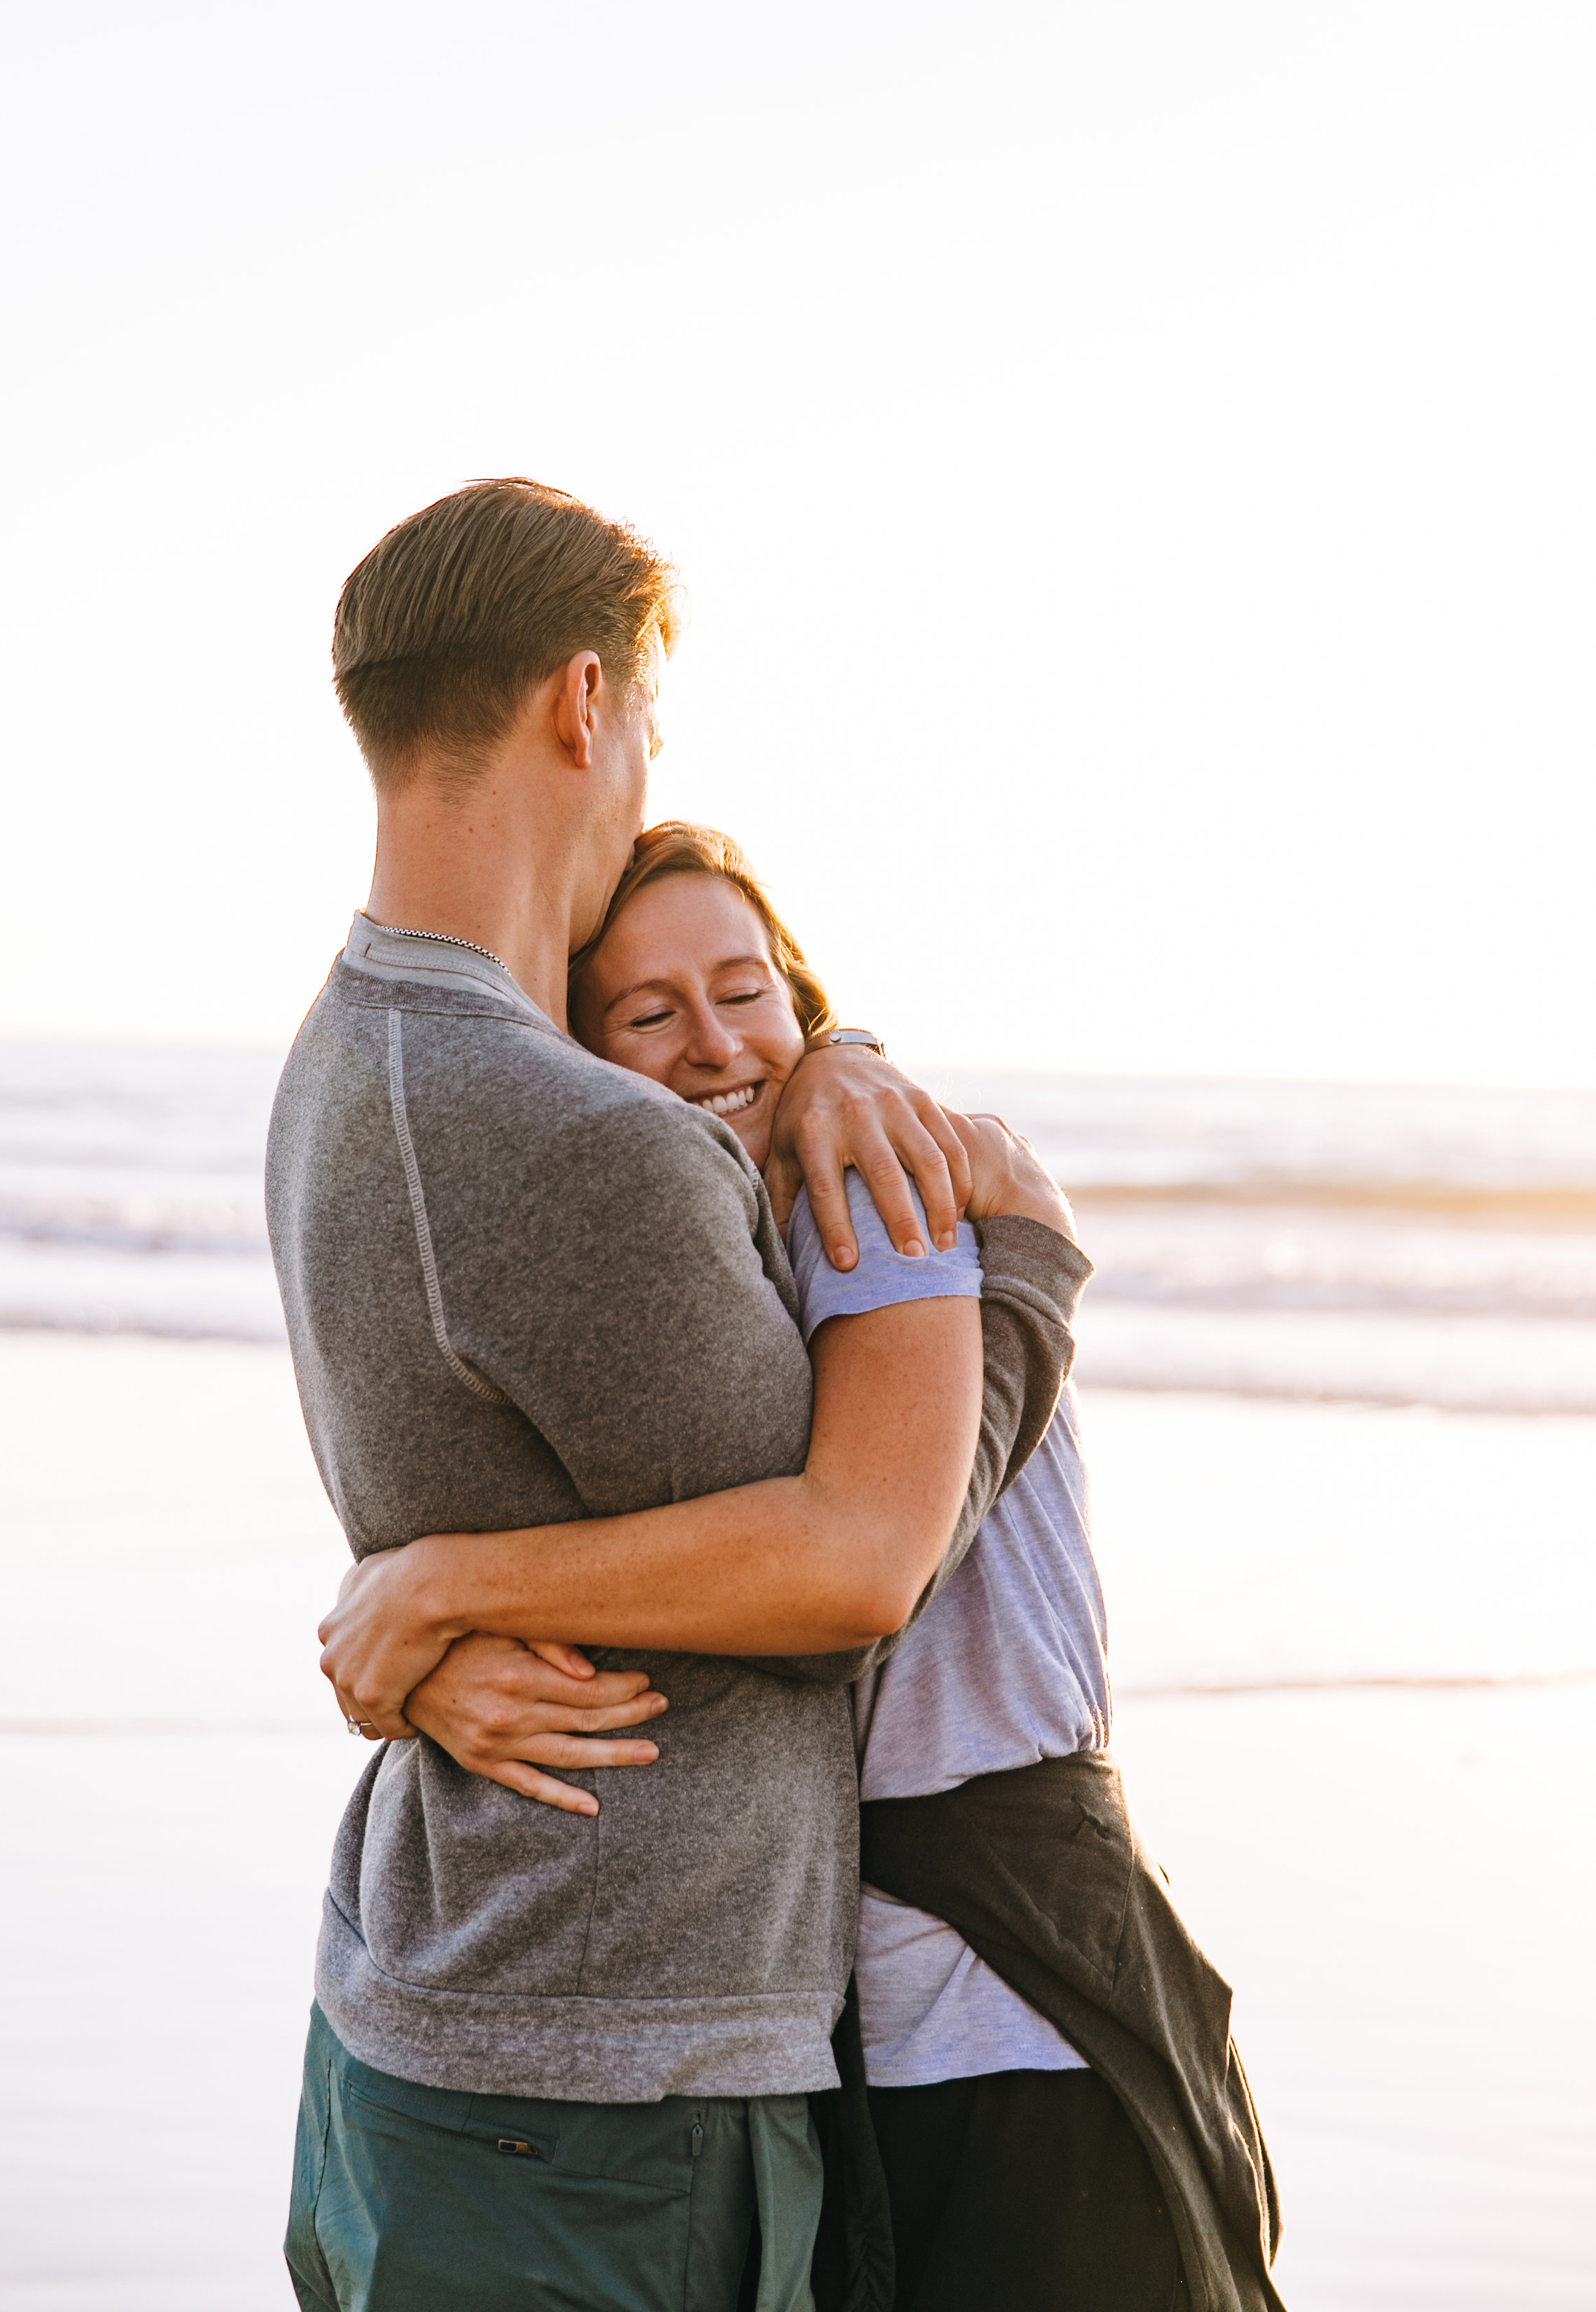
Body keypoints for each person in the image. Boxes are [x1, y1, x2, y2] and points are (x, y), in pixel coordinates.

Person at [268, 478, 1092, 2312]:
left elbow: (487, 1462)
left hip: (453, 2026)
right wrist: (1020, 1267)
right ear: (583, 703)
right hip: (604, 2092)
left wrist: (434, 1586)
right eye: (645, 723)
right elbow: (850, 1561)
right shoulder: (569, 1136)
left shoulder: (340, 1054)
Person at [328, 825, 1286, 2312]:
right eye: (647, 1014)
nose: (715, 1043)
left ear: (803, 998)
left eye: (748, 991)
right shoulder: (693, 1258)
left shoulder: (874, 1199)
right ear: (578, 1061)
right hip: (839, 2016)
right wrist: (433, 1651)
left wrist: (446, 1588)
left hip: (1003, 2004)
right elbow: (673, 1567)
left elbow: (857, 1570)